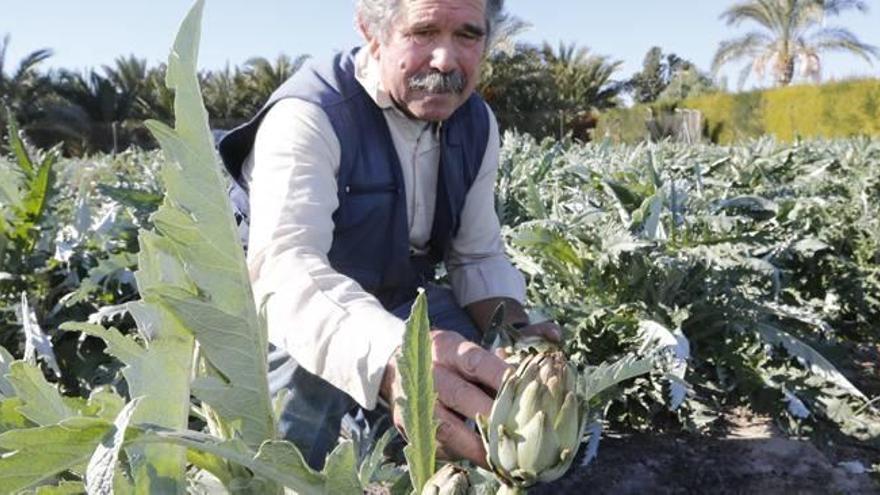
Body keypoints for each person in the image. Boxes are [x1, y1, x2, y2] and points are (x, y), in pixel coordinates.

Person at [218, 0, 561, 470]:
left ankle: (436, 458)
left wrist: (514, 336)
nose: (445, 60)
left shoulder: (476, 123)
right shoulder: (310, 115)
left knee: (487, 368)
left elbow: (477, 256)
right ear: (372, 32)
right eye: (423, 32)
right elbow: (287, 271)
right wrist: (400, 360)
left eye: (467, 35)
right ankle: (287, 475)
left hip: (395, 300)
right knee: (306, 383)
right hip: (276, 316)